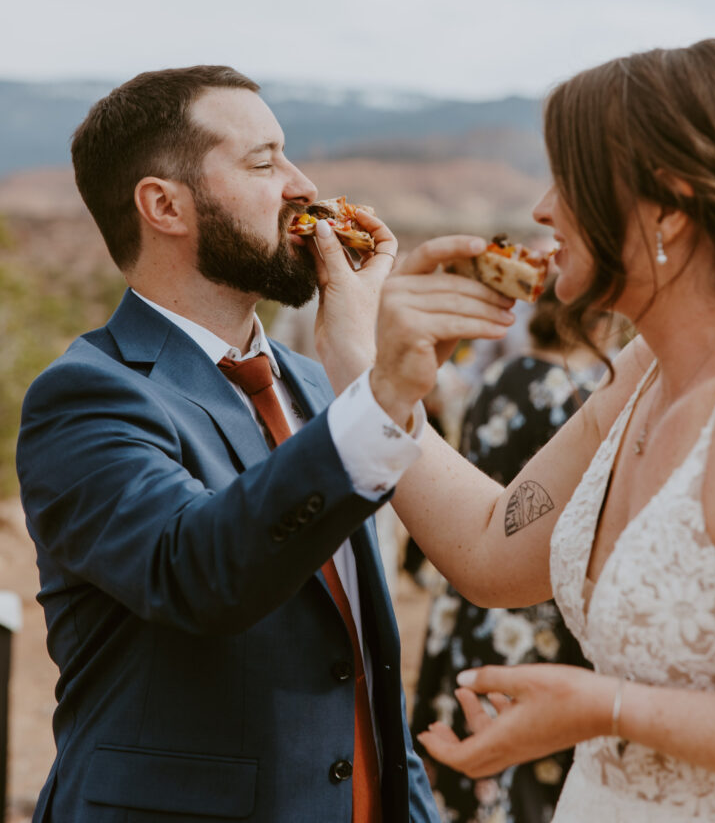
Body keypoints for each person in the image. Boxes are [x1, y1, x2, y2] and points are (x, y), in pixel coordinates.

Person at [16, 66, 478, 823]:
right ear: (165, 205)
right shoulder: (87, 396)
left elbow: (358, 657)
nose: (303, 186)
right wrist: (384, 388)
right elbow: (198, 569)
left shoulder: (316, 381)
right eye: (264, 164)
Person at [351, 39, 715, 821]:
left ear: (667, 204)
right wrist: (377, 372)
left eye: (568, 176)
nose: (541, 209)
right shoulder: (639, 376)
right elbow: (490, 551)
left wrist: (605, 709)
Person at [411, 281, 604, 823]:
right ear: (593, 321)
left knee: (464, 710)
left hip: (467, 569)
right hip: (532, 593)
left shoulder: (498, 374)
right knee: (521, 754)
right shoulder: (578, 393)